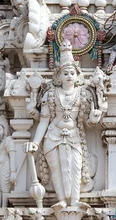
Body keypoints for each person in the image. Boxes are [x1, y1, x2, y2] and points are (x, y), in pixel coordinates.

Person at [24, 41, 103, 207]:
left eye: (72, 73)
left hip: (74, 136)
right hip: (53, 135)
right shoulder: (51, 94)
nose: (69, 76)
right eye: (65, 73)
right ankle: (61, 200)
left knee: (76, 167)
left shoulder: (83, 94)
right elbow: (44, 120)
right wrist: (36, 143)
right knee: (57, 169)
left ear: (77, 75)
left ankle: (75, 200)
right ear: (58, 76)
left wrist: (93, 119)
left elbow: (86, 122)